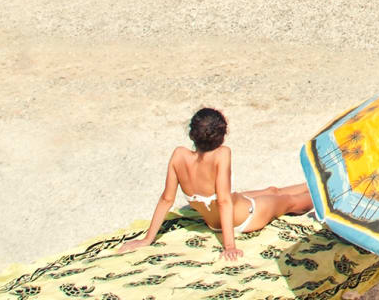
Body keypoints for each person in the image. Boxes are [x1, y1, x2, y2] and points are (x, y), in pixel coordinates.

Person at [118, 107, 316, 259]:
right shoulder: (222, 154)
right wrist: (229, 246)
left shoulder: (179, 155)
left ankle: (317, 180)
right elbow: (223, 201)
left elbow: (166, 199)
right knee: (289, 201)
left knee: (272, 190)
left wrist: (147, 239)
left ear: (192, 134)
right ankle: (326, 192)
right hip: (246, 216)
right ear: (222, 135)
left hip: (231, 210)